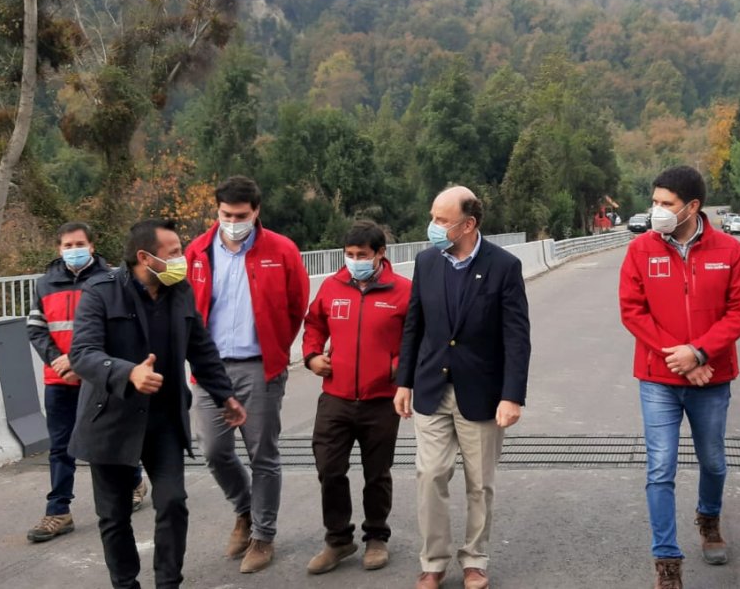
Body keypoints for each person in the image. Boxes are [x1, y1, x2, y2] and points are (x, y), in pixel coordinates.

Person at [69, 219, 247, 589]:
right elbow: (83, 354)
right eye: (174, 252)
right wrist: (128, 373)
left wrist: (225, 395)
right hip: (112, 417)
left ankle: (168, 583)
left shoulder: (180, 292)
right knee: (114, 515)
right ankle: (126, 584)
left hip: (164, 419)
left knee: (172, 502)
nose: (182, 259)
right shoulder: (100, 292)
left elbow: (201, 348)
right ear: (145, 257)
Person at [618, 165, 740, 589]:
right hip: (658, 380)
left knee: (712, 461)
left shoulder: (729, 250)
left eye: (667, 203)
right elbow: (633, 312)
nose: (657, 210)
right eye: (655, 202)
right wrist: (679, 357)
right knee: (660, 468)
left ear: (692, 207)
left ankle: (709, 518)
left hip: (711, 380)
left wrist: (699, 352)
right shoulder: (640, 250)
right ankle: (667, 559)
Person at [394, 186, 531, 589]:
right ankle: (433, 561)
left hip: (482, 392)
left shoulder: (503, 266)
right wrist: (403, 382)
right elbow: (414, 326)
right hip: (431, 388)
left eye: (442, 220)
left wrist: (512, 395)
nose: (433, 226)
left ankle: (475, 559)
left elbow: (517, 337)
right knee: (430, 474)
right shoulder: (426, 262)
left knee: (479, 482)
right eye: (433, 217)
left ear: (468, 224)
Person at [185, 175, 309, 574]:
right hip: (210, 370)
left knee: (263, 455)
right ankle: (244, 510)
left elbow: (297, 306)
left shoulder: (282, 250)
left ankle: (263, 536)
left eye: (241, 215)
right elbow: (187, 307)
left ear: (256, 212)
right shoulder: (198, 251)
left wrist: (275, 350)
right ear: (217, 210)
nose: (233, 222)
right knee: (213, 450)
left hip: (259, 366)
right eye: (226, 214)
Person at [301, 220, 411, 575]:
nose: (354, 260)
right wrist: (312, 355)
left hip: (381, 400)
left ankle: (376, 536)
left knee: (377, 473)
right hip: (336, 397)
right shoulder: (332, 286)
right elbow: (314, 324)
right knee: (329, 468)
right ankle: (338, 539)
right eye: (349, 254)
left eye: (362, 255)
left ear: (380, 254)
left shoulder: (403, 291)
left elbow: (417, 337)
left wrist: (397, 365)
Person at [25, 222, 147, 543]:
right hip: (59, 377)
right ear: (58, 249)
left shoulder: (113, 281)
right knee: (60, 446)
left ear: (92, 246)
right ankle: (58, 510)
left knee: (109, 442)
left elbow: (120, 330)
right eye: (67, 245)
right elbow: (36, 329)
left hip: (98, 378)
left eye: (79, 244)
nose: (74, 250)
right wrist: (57, 360)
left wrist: (82, 363)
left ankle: (133, 480)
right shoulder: (45, 284)